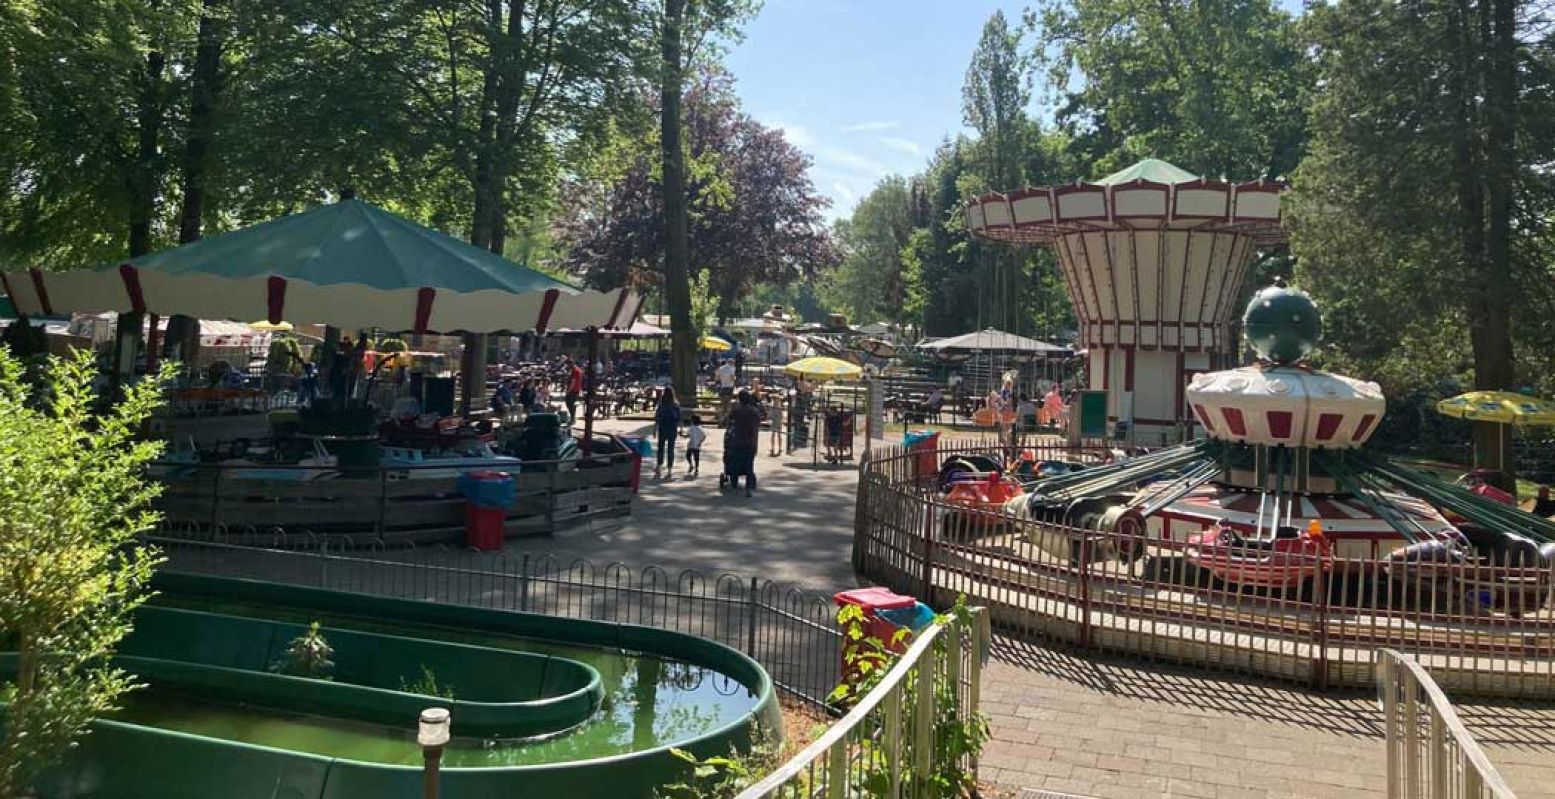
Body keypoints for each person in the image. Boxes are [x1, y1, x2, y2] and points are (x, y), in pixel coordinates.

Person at [727, 390, 762, 496]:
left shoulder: (736, 410)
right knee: (749, 466)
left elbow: (729, 419)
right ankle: (748, 489)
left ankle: (733, 485)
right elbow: (756, 426)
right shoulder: (754, 412)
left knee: (735, 464)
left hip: (736, 440)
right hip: (750, 442)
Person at [654, 386, 682, 478]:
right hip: (672, 429)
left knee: (660, 448)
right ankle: (669, 469)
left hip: (662, 428)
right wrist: (681, 429)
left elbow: (657, 418)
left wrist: (655, 429)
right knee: (671, 449)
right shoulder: (676, 405)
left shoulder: (661, 405)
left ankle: (659, 466)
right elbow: (679, 418)